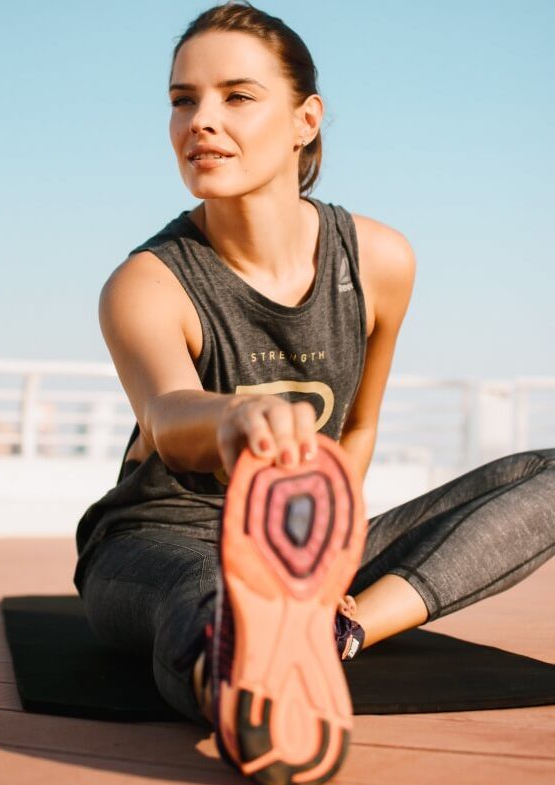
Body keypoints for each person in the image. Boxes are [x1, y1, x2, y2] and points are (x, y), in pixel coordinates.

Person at [73, 2, 555, 783]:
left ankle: (340, 630)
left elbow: (358, 428)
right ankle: (240, 676)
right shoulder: (147, 282)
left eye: (236, 95)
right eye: (181, 99)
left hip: (302, 545)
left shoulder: (380, 259)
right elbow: (165, 415)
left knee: (546, 476)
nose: (201, 120)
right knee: (210, 602)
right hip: (158, 540)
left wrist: (329, 564)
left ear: (305, 119)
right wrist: (234, 414)